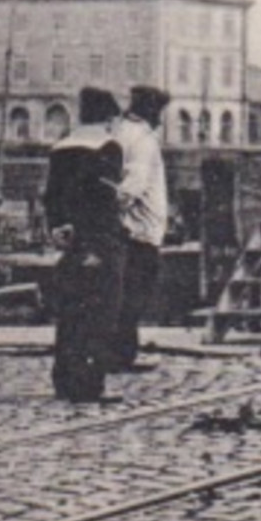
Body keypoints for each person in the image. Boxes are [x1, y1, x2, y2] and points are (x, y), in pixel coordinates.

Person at [43, 87, 127, 403]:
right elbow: (105, 198)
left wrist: (59, 227)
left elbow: (52, 196)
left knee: (70, 312)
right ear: (108, 119)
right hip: (100, 239)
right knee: (101, 313)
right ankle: (90, 384)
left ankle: (64, 379)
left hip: (71, 242)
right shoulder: (108, 147)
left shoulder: (61, 147)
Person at [110, 84, 171, 373]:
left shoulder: (118, 131)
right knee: (135, 294)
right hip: (140, 229)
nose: (161, 118)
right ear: (151, 110)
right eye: (159, 111)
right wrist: (117, 209)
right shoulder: (144, 139)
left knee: (124, 294)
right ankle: (124, 354)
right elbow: (132, 186)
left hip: (126, 228)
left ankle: (122, 350)